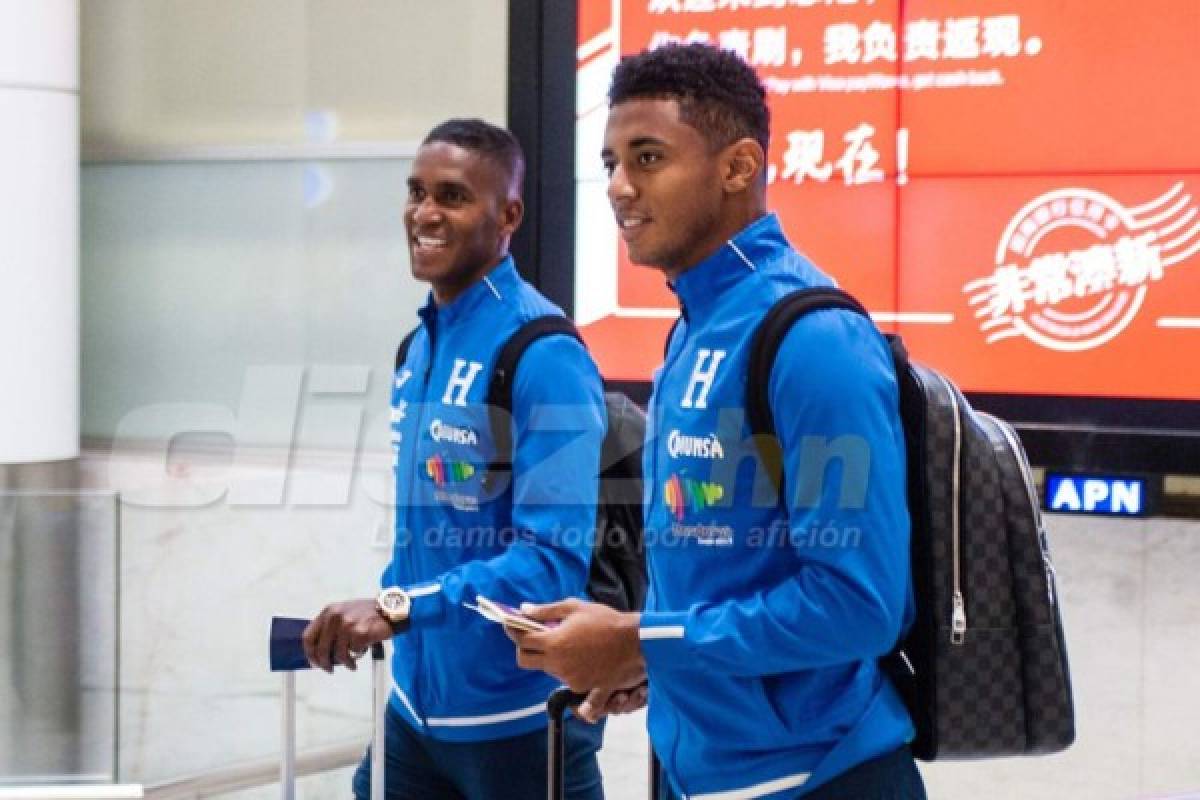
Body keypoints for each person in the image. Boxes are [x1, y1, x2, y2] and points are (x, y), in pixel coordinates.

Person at [507, 44, 927, 800]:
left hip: (817, 780)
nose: (618, 188)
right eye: (609, 162)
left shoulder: (812, 338)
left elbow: (861, 607)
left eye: (647, 158)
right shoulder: (694, 328)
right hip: (697, 773)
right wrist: (644, 659)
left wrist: (641, 639)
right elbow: (725, 578)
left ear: (737, 166)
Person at [303, 118, 608, 800]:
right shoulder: (416, 350)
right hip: (412, 717)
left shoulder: (543, 352)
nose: (425, 212)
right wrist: (382, 611)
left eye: (452, 195)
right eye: (416, 191)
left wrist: (397, 605)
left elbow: (550, 562)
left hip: (520, 727)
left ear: (508, 215)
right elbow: (430, 540)